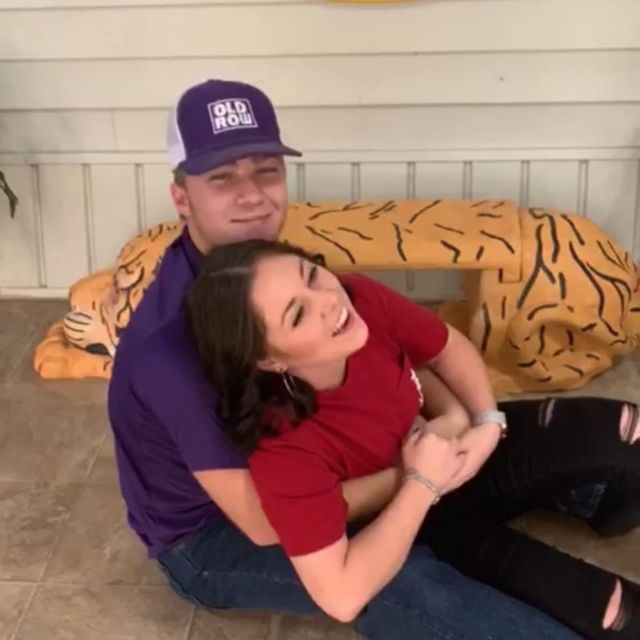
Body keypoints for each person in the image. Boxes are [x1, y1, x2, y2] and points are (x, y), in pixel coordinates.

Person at [107, 77, 587, 640]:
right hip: (212, 535)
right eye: (222, 178)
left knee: (524, 445)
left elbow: (384, 349)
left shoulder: (271, 267)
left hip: (313, 469)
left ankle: (589, 503)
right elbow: (261, 522)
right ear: (182, 198)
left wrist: (463, 420)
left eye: (266, 170)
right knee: (403, 579)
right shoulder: (173, 352)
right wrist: (417, 477)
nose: (252, 195)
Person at [185, 238, 640, 640]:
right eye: (299, 314)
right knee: (614, 614)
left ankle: (602, 507)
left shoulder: (360, 299)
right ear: (269, 360)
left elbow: (447, 348)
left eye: (311, 274)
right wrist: (421, 482)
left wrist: (486, 423)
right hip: (410, 520)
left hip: (448, 452)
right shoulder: (281, 446)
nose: (328, 299)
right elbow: (341, 596)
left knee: (627, 428)